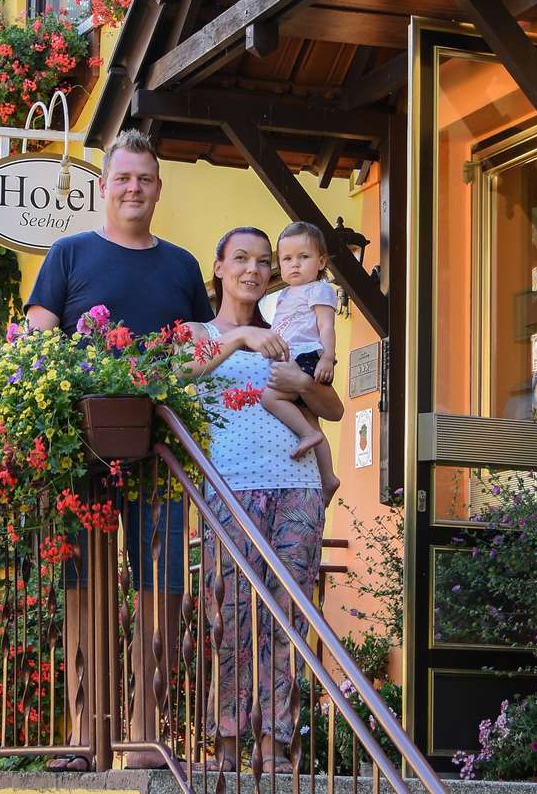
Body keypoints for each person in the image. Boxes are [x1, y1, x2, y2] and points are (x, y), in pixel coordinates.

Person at [24, 128, 213, 771]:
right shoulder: (70, 253)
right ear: (105, 187)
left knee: (160, 596)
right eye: (123, 178)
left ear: (159, 189)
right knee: (85, 593)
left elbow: (198, 354)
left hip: (159, 459)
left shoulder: (184, 267)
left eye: (145, 179)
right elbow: (37, 343)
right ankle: (83, 738)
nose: (134, 188)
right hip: (83, 457)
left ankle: (143, 737)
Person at [184, 225, 344, 774]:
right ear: (221, 266)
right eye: (241, 259)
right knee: (228, 616)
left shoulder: (292, 324)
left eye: (262, 261)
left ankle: (275, 745)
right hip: (229, 486)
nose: (253, 269)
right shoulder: (195, 331)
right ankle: (226, 741)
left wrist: (299, 380)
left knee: (288, 617)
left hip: (298, 486)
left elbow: (335, 408)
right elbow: (175, 380)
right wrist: (238, 341)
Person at [262, 221, 341, 503]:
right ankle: (328, 477)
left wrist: (328, 358)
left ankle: (306, 434)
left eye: (303, 257)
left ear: (321, 261)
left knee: (270, 398)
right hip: (291, 358)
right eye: (287, 259)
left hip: (309, 356)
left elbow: (327, 327)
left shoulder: (319, 290)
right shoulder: (284, 294)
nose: (294, 265)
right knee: (310, 417)